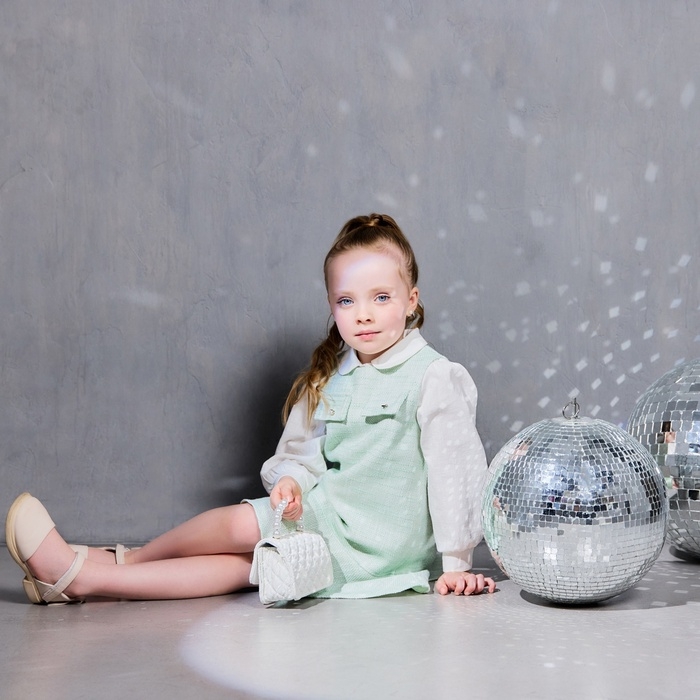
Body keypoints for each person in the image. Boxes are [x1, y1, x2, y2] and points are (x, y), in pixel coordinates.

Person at [5, 213, 495, 604]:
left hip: (388, 545)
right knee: (252, 557)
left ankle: (107, 566)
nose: (363, 315)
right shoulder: (332, 376)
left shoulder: (434, 376)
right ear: (331, 306)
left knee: (247, 542)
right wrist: (292, 483)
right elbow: (301, 456)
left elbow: (456, 473)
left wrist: (456, 564)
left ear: (411, 301)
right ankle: (86, 577)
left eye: (381, 297)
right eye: (346, 301)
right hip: (331, 517)